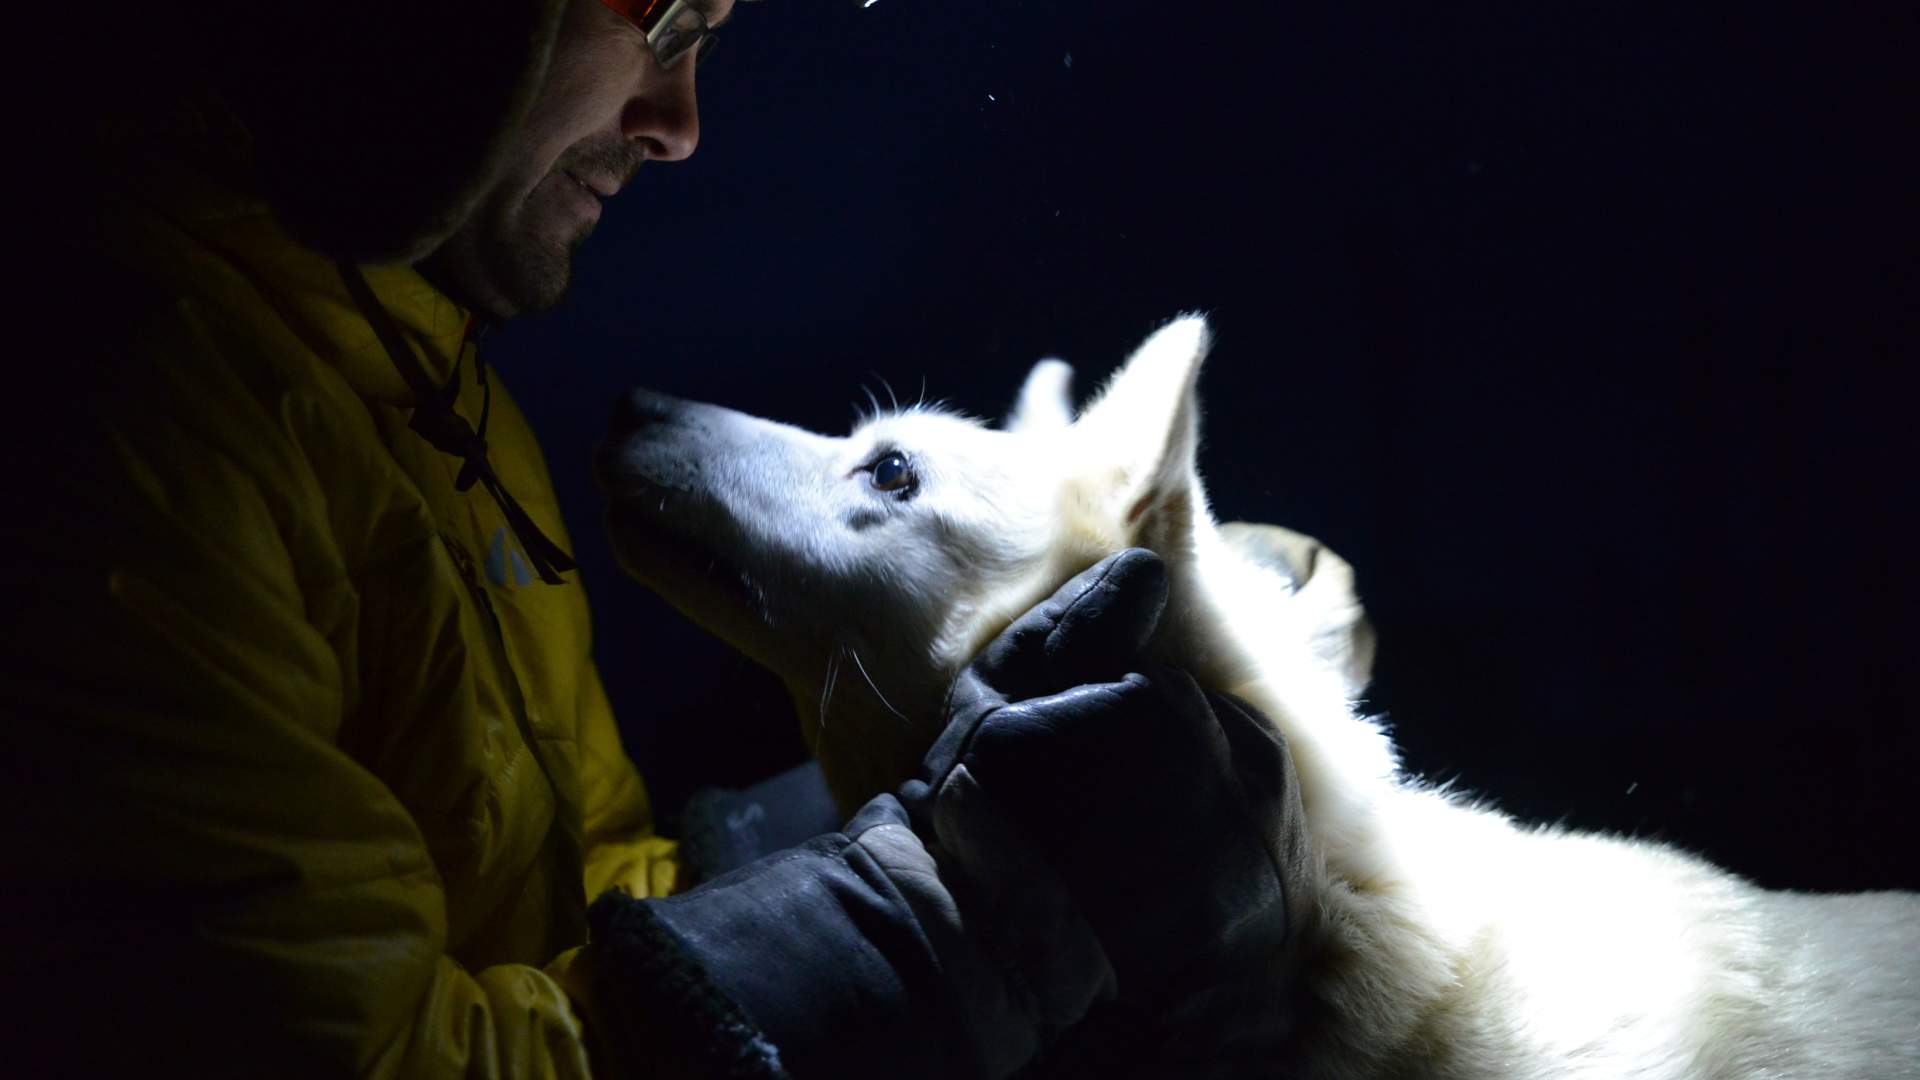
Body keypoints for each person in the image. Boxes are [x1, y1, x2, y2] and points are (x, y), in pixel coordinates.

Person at [5, 1, 1317, 1076]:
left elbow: (567, 901)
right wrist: (951, 909)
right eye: (668, 17)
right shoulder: (124, 428)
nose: (681, 125)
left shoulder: (418, 391)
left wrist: (926, 773)